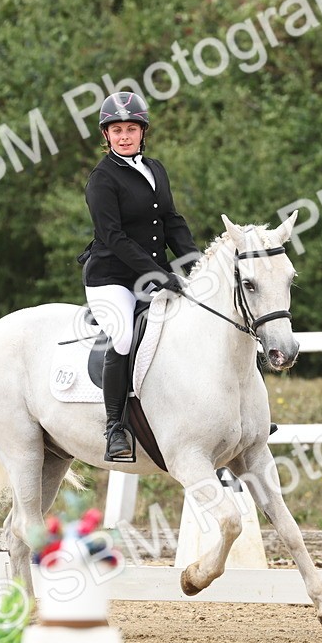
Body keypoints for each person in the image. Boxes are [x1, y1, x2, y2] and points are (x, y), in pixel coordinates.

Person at [80, 91, 202, 461]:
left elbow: (171, 221)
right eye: (116, 130)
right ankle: (115, 427)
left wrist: (196, 266)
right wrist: (159, 273)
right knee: (122, 337)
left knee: (200, 323)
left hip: (152, 275)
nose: (124, 136)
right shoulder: (101, 179)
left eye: (130, 128)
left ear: (142, 131)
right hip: (111, 278)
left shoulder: (156, 169)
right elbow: (113, 238)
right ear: (106, 136)